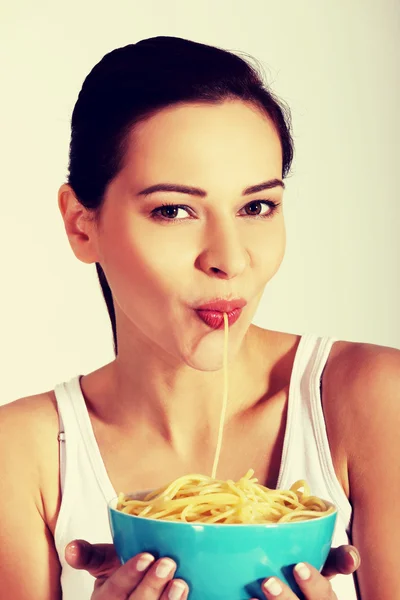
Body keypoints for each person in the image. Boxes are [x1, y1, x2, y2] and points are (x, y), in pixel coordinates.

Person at [1, 35, 398, 600]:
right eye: (174, 210)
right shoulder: (21, 455)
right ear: (81, 225)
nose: (230, 259)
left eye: (257, 206)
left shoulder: (372, 399)